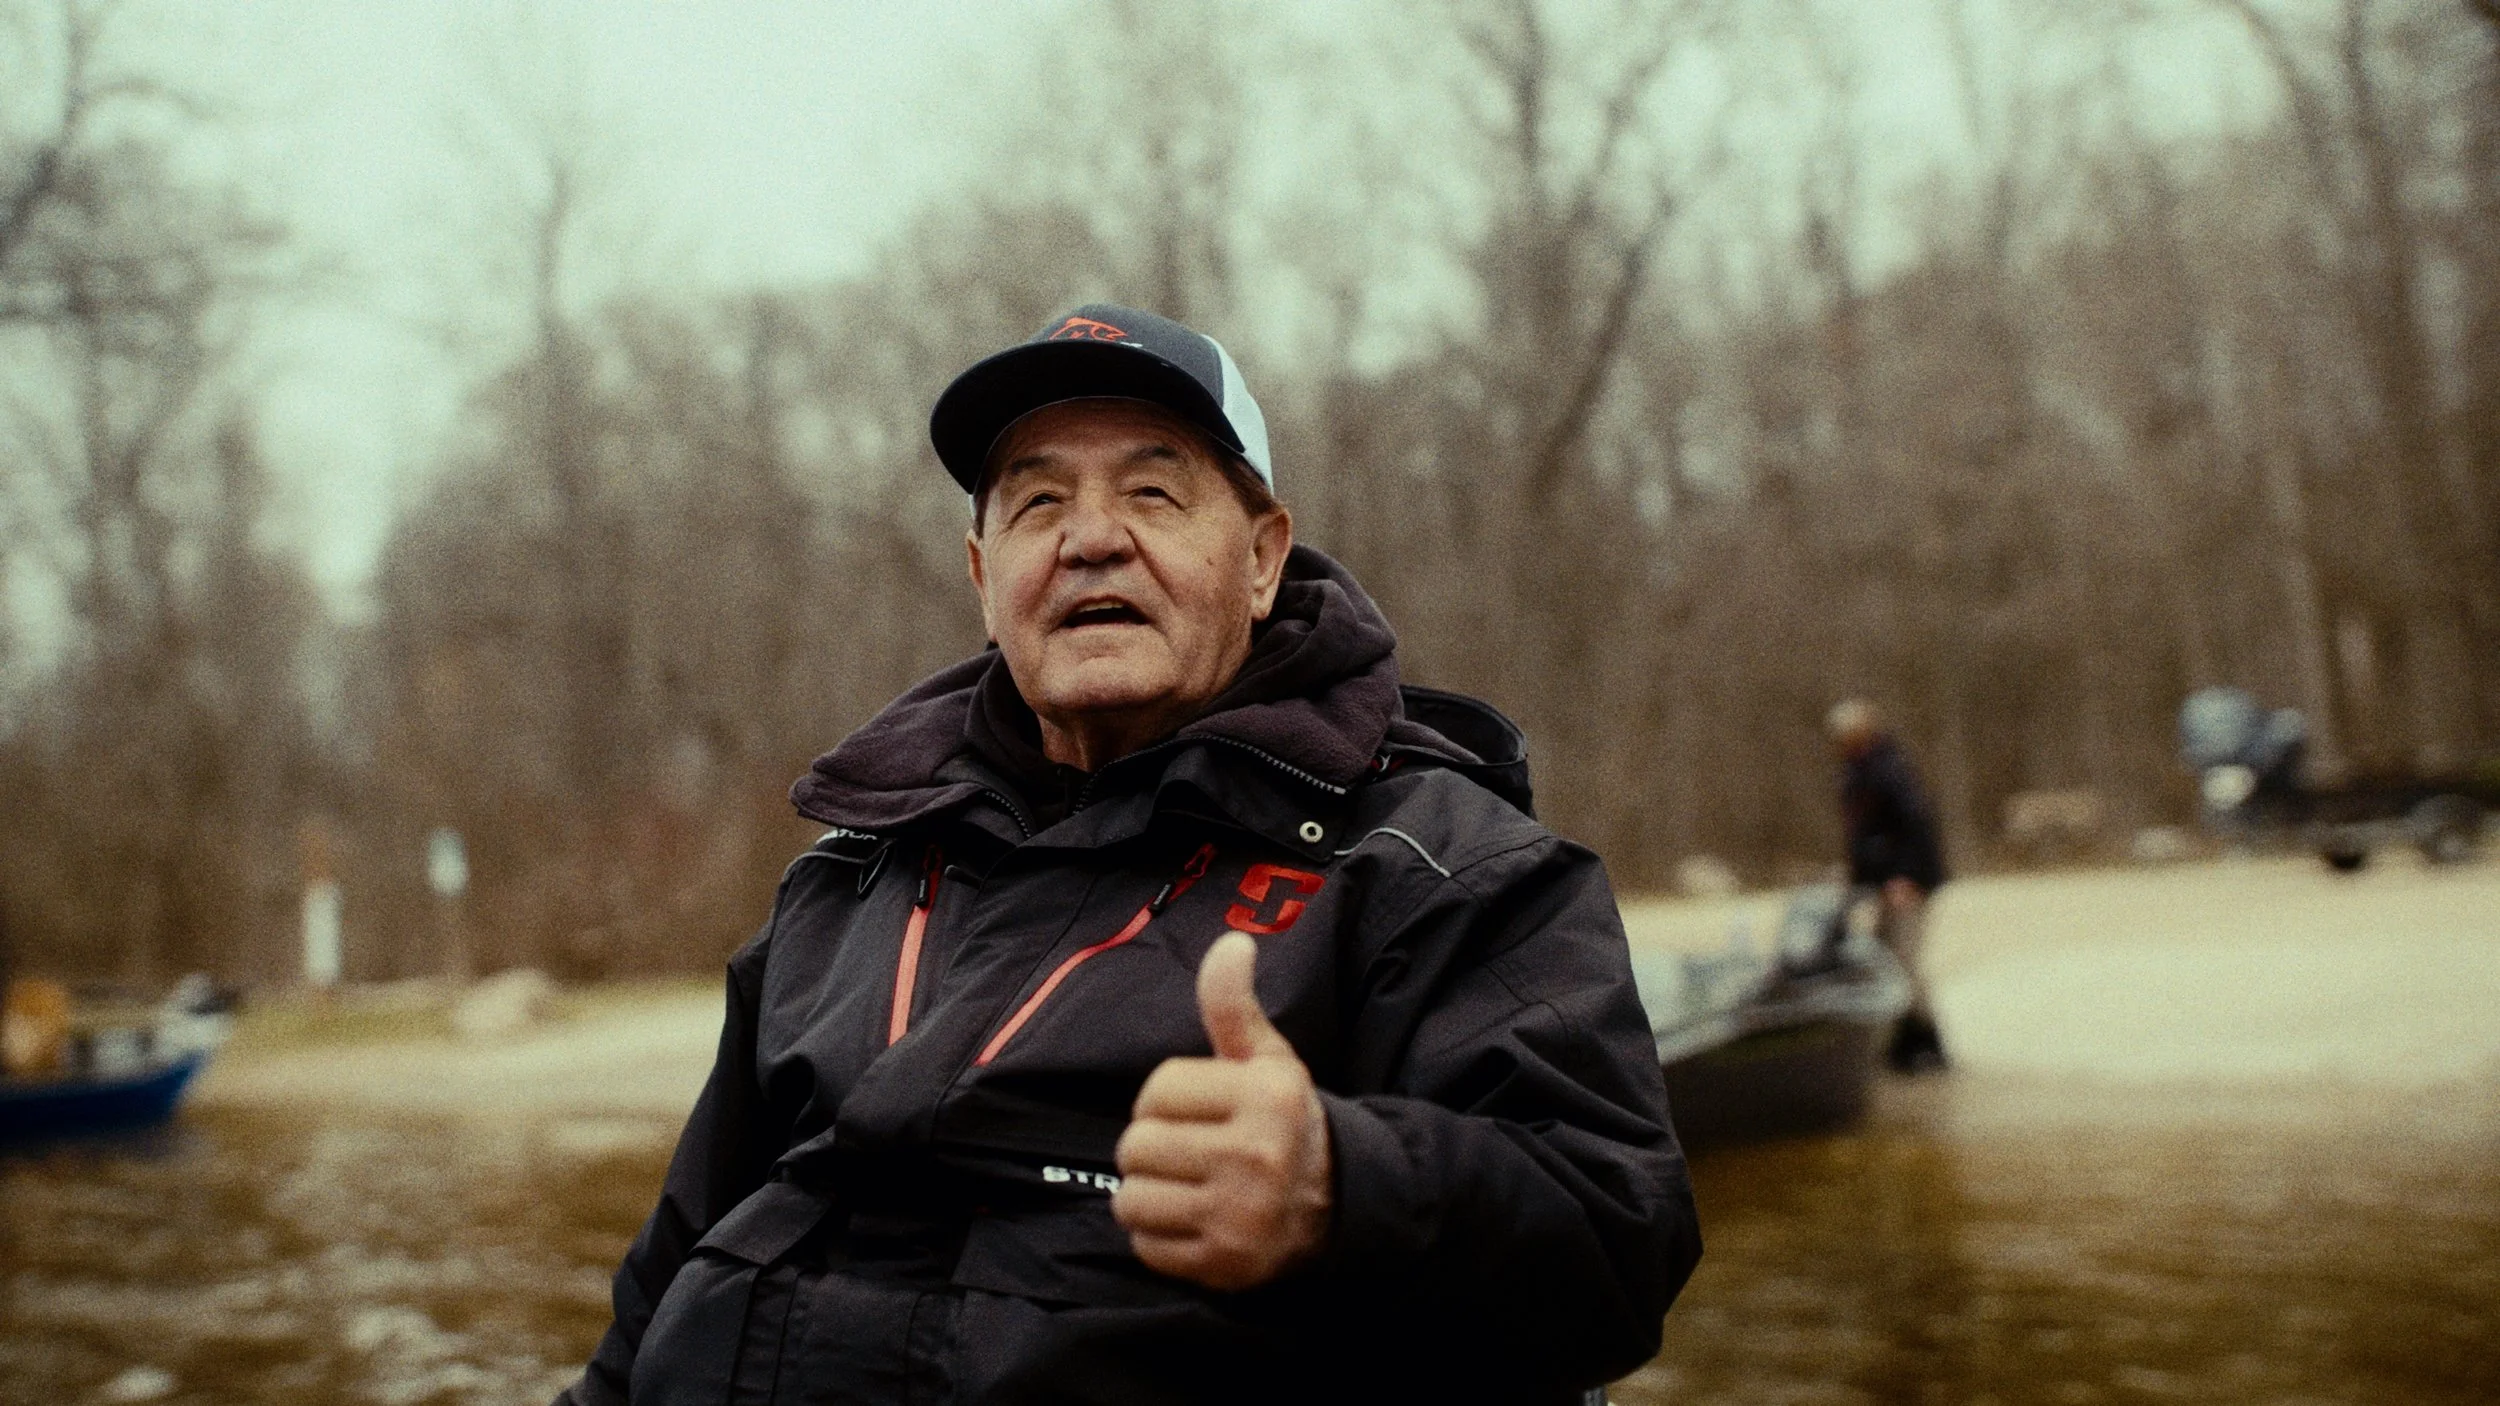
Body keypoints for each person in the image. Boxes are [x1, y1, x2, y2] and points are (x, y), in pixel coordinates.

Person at [556, 304, 1701, 1406]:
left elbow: (1621, 1229)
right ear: (982, 577)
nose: (1090, 537)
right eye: (1035, 501)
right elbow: (665, 1285)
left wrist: (1342, 1184)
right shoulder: (844, 879)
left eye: (1152, 492)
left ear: (1262, 558)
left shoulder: (1438, 862)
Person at [1826, 699, 1949, 1073]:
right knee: (1881, 959)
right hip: (1881, 883)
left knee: (1903, 962)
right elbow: (1864, 835)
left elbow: (1917, 826)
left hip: (1907, 884)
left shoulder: (1890, 770)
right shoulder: (1856, 773)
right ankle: (1894, 1043)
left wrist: (1905, 876)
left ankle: (1926, 1045)